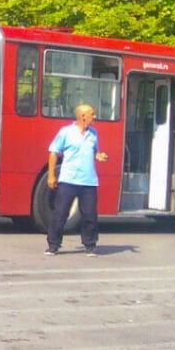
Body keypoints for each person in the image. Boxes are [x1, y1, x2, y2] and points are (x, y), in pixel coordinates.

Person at [44, 104, 108, 256]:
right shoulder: (66, 132)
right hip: (68, 179)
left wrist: (99, 156)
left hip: (88, 181)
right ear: (82, 116)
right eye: (92, 114)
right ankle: (53, 245)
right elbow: (53, 152)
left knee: (90, 215)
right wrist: (51, 175)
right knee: (61, 213)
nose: (95, 116)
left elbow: (95, 152)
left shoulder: (93, 133)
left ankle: (90, 245)